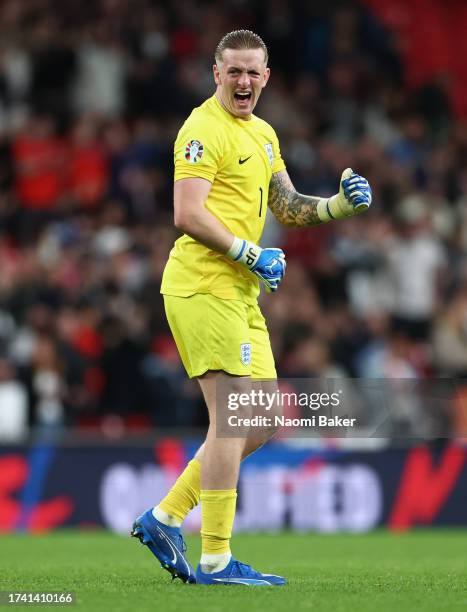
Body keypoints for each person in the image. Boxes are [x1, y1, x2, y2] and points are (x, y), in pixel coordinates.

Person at [131, 29, 372, 586]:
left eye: (252, 73)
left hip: (241, 292)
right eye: (233, 71)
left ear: (266, 78)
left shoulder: (263, 134)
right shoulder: (200, 130)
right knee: (233, 418)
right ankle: (215, 557)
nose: (243, 82)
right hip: (202, 286)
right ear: (216, 74)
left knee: (262, 422)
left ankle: (165, 516)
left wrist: (338, 205)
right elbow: (187, 213)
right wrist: (249, 251)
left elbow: (286, 206)